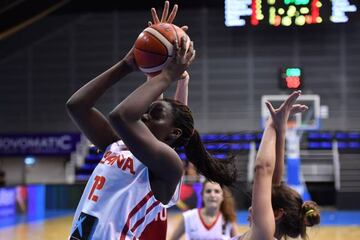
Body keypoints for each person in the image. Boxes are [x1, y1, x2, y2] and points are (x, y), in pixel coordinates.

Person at [66, 2, 237, 239]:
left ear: (174, 134)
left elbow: (122, 116)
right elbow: (77, 106)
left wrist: (168, 75)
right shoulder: (117, 145)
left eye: (154, 114)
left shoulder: (168, 164)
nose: (145, 114)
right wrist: (130, 65)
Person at [233, 91, 320, 240]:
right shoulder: (265, 232)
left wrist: (271, 124)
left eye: (262, 203)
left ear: (278, 214)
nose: (251, 207)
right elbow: (272, 179)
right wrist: (281, 128)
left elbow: (263, 168)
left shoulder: (263, 235)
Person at [170, 180, 239, 239]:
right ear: (202, 195)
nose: (212, 195)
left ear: (222, 196)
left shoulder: (228, 219)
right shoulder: (189, 217)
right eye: (208, 191)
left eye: (217, 191)